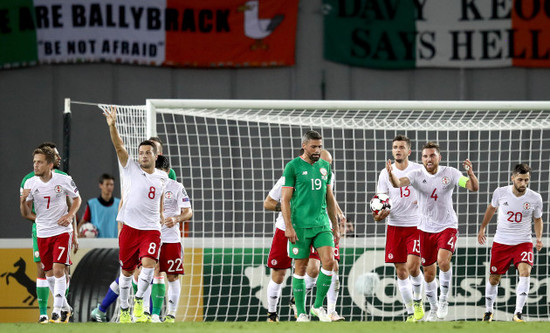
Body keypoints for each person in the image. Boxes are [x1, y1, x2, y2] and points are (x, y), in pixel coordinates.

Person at [386, 141, 478, 321]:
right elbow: (398, 183)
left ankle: (444, 299)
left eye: (432, 155)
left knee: (443, 262)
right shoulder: (416, 174)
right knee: (428, 273)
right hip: (424, 228)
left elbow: (472, 187)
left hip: (447, 226)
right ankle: (434, 307)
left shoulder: (450, 173)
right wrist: (391, 175)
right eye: (425, 156)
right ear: (421, 159)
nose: (429, 159)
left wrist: (471, 175)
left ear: (439, 157)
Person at [104, 106, 168, 323]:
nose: (142, 156)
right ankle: (123, 308)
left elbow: (159, 197)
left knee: (149, 265)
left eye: (147, 153)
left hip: (151, 229)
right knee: (127, 273)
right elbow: (119, 146)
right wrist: (113, 126)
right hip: (130, 227)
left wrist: (160, 214)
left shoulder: (163, 177)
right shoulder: (129, 167)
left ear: (155, 155)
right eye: (140, 153)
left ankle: (139, 300)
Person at [264, 149, 345, 322]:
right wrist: (287, 211)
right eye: (324, 161)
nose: (325, 166)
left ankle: (316, 307)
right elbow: (268, 203)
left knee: (320, 267)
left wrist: (338, 215)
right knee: (279, 273)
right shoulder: (291, 175)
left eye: (329, 164)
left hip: (317, 226)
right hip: (287, 228)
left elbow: (327, 197)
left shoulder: (326, 174)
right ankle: (272, 314)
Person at [281, 130, 340, 322]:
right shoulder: (293, 167)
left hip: (322, 224)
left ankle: (317, 306)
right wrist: (288, 226)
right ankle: (301, 312)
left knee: (329, 262)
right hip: (300, 226)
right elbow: (285, 199)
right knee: (300, 268)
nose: (317, 150)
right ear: (304, 146)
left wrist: (335, 225)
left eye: (319, 146)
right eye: (313, 146)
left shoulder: (325, 167)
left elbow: (329, 197)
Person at [20, 146, 81, 323]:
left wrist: (69, 216)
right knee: (48, 274)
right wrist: (23, 200)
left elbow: (77, 199)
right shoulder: (29, 183)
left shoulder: (63, 179)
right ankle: (66, 308)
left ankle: (55, 311)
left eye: (39, 162)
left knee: (58, 269)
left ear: (50, 164)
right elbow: (24, 212)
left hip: (62, 231)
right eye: (34, 162)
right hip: (42, 232)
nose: (35, 166)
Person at [477, 163, 544, 322]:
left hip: (523, 241)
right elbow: (491, 209)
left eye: (526, 180)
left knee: (525, 272)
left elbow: (538, 219)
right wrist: (482, 228)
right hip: (502, 242)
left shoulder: (535, 198)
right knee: (494, 278)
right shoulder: (500, 193)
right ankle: (488, 312)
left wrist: (539, 238)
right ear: (512, 178)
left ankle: (518, 313)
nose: (523, 184)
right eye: (520, 180)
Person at [374, 135, 425, 322]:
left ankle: (419, 301)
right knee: (401, 271)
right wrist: (379, 215)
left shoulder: (418, 170)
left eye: (401, 147)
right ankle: (411, 312)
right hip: (395, 227)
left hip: (417, 226)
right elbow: (379, 203)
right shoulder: (384, 173)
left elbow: (429, 191)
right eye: (395, 147)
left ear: (408, 151)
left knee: (413, 267)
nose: (397, 150)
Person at [150, 155, 193, 323]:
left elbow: (188, 211)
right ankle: (153, 314)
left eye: (161, 172)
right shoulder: (149, 185)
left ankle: (171, 315)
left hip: (171, 238)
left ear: (167, 171)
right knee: (153, 270)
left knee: (172, 276)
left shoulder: (176, 187)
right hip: (153, 235)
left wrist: (176, 219)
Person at [78, 174, 121, 238]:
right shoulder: (92, 204)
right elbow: (82, 222)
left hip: (115, 243)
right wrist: (78, 234)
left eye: (111, 184)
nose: (109, 187)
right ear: (100, 185)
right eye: (107, 184)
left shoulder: (119, 203)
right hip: (97, 244)